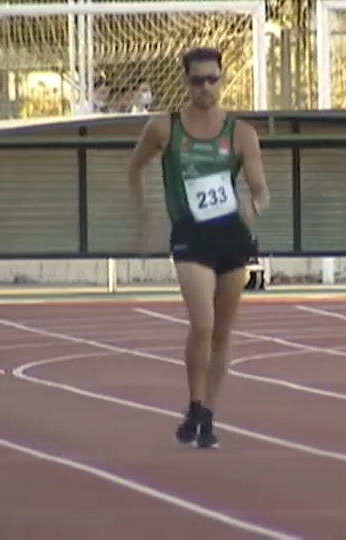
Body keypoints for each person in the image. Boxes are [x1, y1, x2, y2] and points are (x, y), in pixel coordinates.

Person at [126, 47, 270, 449]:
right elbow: (134, 169)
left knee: (222, 332)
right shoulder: (165, 129)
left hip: (230, 237)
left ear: (223, 79)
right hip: (190, 235)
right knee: (202, 323)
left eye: (213, 79)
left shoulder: (240, 132)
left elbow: (261, 190)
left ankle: (205, 413)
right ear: (185, 82)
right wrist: (144, 217)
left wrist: (252, 206)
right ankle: (193, 402)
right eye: (197, 80)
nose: (205, 87)